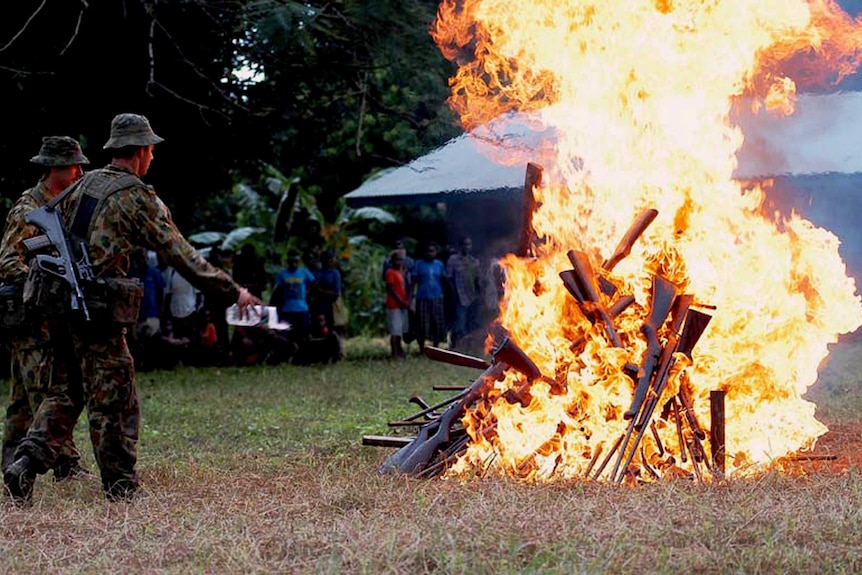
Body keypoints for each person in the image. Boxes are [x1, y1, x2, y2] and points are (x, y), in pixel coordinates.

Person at [3, 113, 262, 505]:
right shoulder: (136, 196)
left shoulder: (80, 185)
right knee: (117, 399)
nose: (153, 158)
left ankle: (25, 461)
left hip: (60, 311)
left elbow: (39, 244)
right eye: (151, 150)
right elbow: (181, 255)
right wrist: (234, 291)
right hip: (95, 311)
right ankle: (121, 487)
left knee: (67, 390)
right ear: (140, 151)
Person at [0, 136, 91, 484]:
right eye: (73, 166)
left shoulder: (62, 205)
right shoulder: (29, 209)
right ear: (54, 168)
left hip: (48, 317)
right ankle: (66, 465)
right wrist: (43, 284)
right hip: (30, 316)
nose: (80, 171)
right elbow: (9, 261)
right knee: (46, 391)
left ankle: (12, 463)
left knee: (22, 401)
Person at [411, 242, 447, 353]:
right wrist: (411, 297)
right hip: (422, 297)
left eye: (432, 251)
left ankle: (436, 348)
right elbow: (413, 282)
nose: (430, 253)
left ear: (436, 252)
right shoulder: (419, 264)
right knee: (422, 323)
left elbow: (444, 280)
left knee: (437, 321)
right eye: (428, 251)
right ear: (424, 252)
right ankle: (421, 348)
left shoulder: (439, 265)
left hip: (437, 297)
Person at [446, 236, 481, 349]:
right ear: (460, 246)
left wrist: (480, 294)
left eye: (469, 244)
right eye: (465, 244)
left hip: (472, 296)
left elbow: (477, 280)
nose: (467, 247)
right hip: (459, 297)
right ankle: (455, 345)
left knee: (470, 322)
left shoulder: (474, 261)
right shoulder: (453, 260)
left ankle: (466, 346)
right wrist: (453, 294)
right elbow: (449, 279)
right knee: (459, 322)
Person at [273, 252, 316, 342]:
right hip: (287, 308)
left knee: (303, 334)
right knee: (285, 335)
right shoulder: (282, 274)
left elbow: (313, 281)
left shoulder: (304, 272)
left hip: (302, 308)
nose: (293, 264)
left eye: (296, 262)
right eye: (291, 262)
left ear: (298, 262)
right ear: (288, 262)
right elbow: (278, 289)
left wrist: (307, 291)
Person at [384, 249, 411, 359]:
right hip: (394, 305)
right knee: (395, 331)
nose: (399, 262)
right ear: (392, 261)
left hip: (402, 305)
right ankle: (394, 353)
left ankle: (399, 351)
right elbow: (391, 290)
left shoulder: (400, 273)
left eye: (401, 260)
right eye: (397, 260)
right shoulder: (390, 273)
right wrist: (401, 302)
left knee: (399, 331)